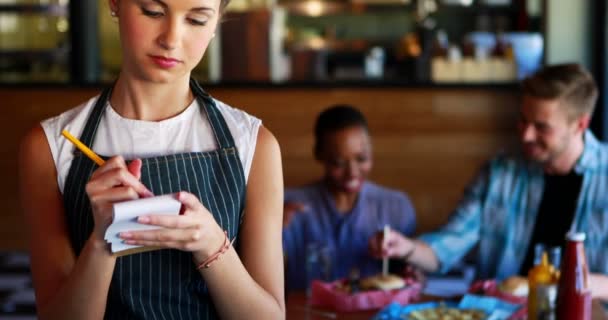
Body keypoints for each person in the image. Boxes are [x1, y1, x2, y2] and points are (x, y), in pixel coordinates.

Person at [18, 0, 285, 319]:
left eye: (197, 20)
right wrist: (102, 243)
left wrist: (213, 244)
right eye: (153, 12)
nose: (171, 38)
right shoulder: (49, 146)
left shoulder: (254, 145)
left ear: (216, 23)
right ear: (115, 4)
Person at [369, 63, 608, 301]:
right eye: (523, 120)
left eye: (541, 127)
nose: (526, 135)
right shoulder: (498, 173)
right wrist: (406, 247)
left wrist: (590, 283)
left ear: (580, 124)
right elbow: (448, 244)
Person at [282, 105, 416, 291]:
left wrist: (415, 276)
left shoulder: (396, 207)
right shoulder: (289, 207)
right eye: (339, 163)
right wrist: (272, 229)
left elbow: (410, 277)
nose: (352, 173)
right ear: (319, 154)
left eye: (362, 158)